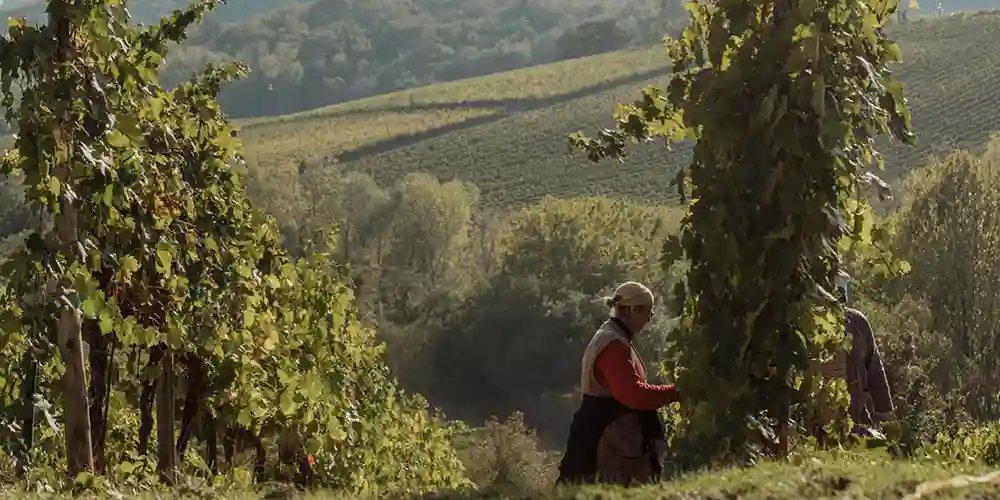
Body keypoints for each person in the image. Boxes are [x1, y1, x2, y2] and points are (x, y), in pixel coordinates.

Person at [556, 281, 680, 487]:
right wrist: (675, 393)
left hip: (610, 438)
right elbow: (634, 395)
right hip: (611, 443)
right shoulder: (613, 345)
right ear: (632, 310)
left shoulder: (613, 337)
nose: (649, 319)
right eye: (647, 313)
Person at [820, 270, 894, 437]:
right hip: (818, 419)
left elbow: (874, 367)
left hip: (855, 417)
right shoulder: (811, 325)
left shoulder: (858, 323)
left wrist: (885, 413)